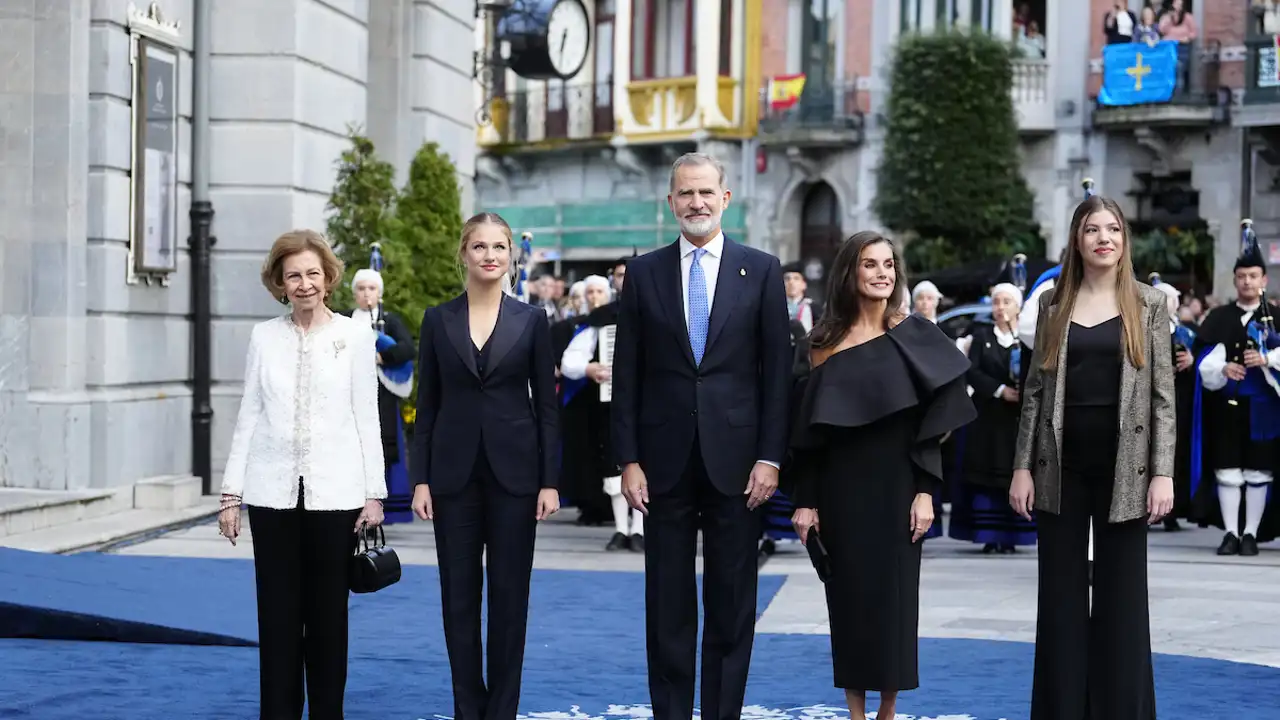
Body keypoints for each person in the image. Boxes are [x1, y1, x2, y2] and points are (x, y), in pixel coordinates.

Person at [611, 152, 792, 720]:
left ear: (725, 199)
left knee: (733, 600)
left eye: (706, 193)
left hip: (739, 465)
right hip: (662, 462)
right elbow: (627, 376)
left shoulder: (761, 270)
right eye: (685, 194)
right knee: (666, 599)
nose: (696, 203)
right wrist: (628, 460)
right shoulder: (642, 274)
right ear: (670, 203)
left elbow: (776, 376)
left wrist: (770, 457)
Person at [787, 232, 974, 719]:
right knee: (847, 606)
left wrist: (926, 493)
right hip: (841, 490)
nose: (882, 273)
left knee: (893, 608)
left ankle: (887, 714)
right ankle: (855, 715)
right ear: (850, 272)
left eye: (889, 264)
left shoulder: (916, 335)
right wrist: (806, 501)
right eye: (870, 264)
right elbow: (808, 435)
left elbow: (933, 426)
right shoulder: (821, 345)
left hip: (899, 489)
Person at [1010, 194, 1175, 719]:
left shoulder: (1148, 304)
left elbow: (1163, 396)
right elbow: (1034, 391)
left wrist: (1163, 472)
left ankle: (1120, 709)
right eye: (1092, 230)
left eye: (1113, 230)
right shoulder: (1052, 303)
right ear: (1077, 241)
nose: (1104, 238)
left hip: (1128, 467)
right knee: (1058, 597)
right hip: (1058, 464)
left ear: (1124, 241)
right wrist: (1021, 466)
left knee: (1122, 598)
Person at [218, 229, 387, 719]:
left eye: (313, 273)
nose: (305, 283)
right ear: (280, 282)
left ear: (328, 277)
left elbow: (366, 416)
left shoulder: (354, 336)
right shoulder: (263, 336)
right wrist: (232, 494)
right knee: (277, 620)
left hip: (336, 497)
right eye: (294, 275)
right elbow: (249, 413)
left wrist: (374, 494)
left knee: (328, 618)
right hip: (271, 496)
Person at [409, 212, 561, 720]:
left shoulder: (532, 321)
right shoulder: (437, 319)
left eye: (500, 246)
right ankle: (467, 708)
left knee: (509, 596)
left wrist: (550, 481)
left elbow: (547, 407)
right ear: (464, 254)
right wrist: (421, 479)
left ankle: (502, 711)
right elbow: (425, 404)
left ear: (512, 255)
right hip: (451, 476)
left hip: (516, 477)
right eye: (480, 247)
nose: (491, 255)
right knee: (458, 597)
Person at [1188, 223, 1280, 556]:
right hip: (1226, 405)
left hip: (1264, 409)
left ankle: (1252, 534)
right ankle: (1230, 532)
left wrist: (1268, 358)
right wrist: (1222, 367)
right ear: (1235, 279)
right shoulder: (1218, 317)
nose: (1247, 282)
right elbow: (1202, 357)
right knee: (1226, 468)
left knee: (1258, 470)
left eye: (1253, 276)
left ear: (1263, 280)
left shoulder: (1277, 317)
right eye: (1242, 276)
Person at [949, 282, 1037, 553]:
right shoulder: (981, 334)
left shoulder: (1026, 339)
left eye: (1006, 302)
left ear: (1017, 306)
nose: (1000, 308)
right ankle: (988, 534)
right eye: (996, 302)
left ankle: (1011, 536)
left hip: (1015, 422)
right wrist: (1000, 391)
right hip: (987, 418)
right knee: (984, 477)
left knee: (1013, 472)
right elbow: (972, 370)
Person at [560, 275, 641, 551]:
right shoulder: (602, 318)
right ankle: (621, 529)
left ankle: (640, 529)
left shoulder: (657, 310)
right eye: (620, 276)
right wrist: (589, 368)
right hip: (610, 405)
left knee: (647, 464)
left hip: (651, 405)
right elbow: (570, 360)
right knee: (614, 463)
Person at [343, 266, 418, 524]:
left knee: (382, 448)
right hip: (348, 396)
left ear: (379, 292)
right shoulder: (344, 319)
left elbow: (408, 349)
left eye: (371, 288)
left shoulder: (389, 321)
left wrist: (381, 356)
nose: (366, 294)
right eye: (361, 289)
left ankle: (379, 507)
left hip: (381, 397)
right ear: (354, 293)